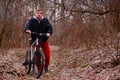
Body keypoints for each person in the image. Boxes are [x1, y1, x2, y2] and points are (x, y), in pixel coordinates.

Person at [23, 8, 53, 75]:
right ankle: (39, 69)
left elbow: (50, 27)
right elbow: (27, 26)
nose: (39, 14)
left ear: (42, 14)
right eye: (37, 13)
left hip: (43, 39)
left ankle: (46, 67)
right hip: (35, 39)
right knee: (38, 55)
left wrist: (49, 33)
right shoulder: (31, 20)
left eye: (40, 13)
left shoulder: (45, 20)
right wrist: (27, 30)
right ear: (35, 14)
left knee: (47, 55)